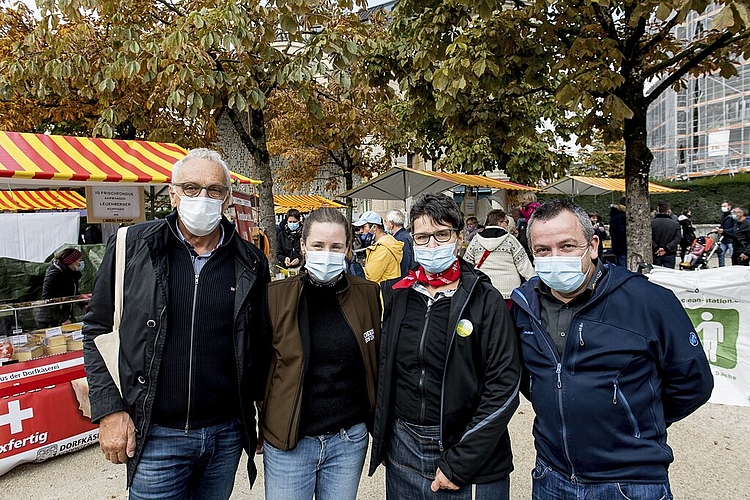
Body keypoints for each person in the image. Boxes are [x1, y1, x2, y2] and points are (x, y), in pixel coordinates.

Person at [83, 148, 271, 498]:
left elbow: (258, 345)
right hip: (156, 435)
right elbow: (97, 330)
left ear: (227, 198)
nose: (203, 198)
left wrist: (259, 414)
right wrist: (109, 411)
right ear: (173, 193)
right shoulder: (132, 246)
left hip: (225, 434)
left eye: (214, 190)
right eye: (191, 188)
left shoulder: (250, 261)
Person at [511, 199, 713, 500]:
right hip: (551, 476)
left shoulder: (649, 301)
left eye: (567, 246)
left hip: (630, 481)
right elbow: (532, 378)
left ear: (593, 246)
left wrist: (634, 418)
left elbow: (693, 383)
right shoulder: (524, 305)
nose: (555, 258)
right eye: (543, 250)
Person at [370, 193, 521, 500]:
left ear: (459, 236)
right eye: (423, 237)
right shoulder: (399, 296)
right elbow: (386, 370)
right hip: (404, 452)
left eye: (442, 234)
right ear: (411, 239)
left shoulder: (484, 298)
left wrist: (460, 462)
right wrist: (384, 436)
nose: (433, 245)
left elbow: (504, 385)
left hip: (468, 455)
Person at [261, 207, 381, 500]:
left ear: (348, 249)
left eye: (336, 246)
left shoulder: (367, 294)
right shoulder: (275, 297)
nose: (327, 253)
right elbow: (259, 366)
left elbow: (376, 360)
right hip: (290, 441)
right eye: (318, 245)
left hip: (347, 441)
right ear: (303, 246)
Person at [463, 209, 535, 306]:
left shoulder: (476, 240)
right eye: (506, 222)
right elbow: (524, 266)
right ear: (499, 223)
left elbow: (466, 264)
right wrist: (536, 283)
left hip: (484, 291)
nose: (507, 225)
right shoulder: (510, 240)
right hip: (510, 292)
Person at [35, 248, 84, 328]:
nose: (81, 263)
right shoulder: (54, 274)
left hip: (65, 316)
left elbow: (72, 292)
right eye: (80, 260)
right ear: (72, 261)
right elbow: (47, 299)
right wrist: (63, 319)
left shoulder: (70, 273)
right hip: (51, 321)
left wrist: (83, 303)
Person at [353, 210, 403, 284]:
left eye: (363, 227)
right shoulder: (386, 242)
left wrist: (354, 267)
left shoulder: (382, 249)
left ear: (374, 227)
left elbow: (369, 277)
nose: (361, 231)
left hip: (381, 294)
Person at [651, 201, 681, 268]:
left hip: (655, 252)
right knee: (669, 274)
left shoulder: (651, 223)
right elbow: (677, 238)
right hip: (670, 252)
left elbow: (649, 237)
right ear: (668, 210)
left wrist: (656, 247)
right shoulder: (675, 224)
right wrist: (667, 248)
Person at [386, 209, 414, 276]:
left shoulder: (401, 238)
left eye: (386, 221)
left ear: (391, 224)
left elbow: (405, 261)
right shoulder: (402, 235)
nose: (385, 224)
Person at [608, 200, 627, 267]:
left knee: (620, 265)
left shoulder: (613, 217)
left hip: (617, 247)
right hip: (623, 247)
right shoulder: (622, 217)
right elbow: (622, 232)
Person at [717, 200, 735, 267]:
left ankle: (734, 267)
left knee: (732, 255)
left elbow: (734, 228)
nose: (723, 208)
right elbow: (722, 226)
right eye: (722, 206)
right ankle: (721, 267)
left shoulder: (733, 216)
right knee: (721, 253)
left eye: (724, 206)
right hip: (723, 239)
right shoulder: (723, 216)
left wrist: (724, 231)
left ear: (729, 207)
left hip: (731, 238)